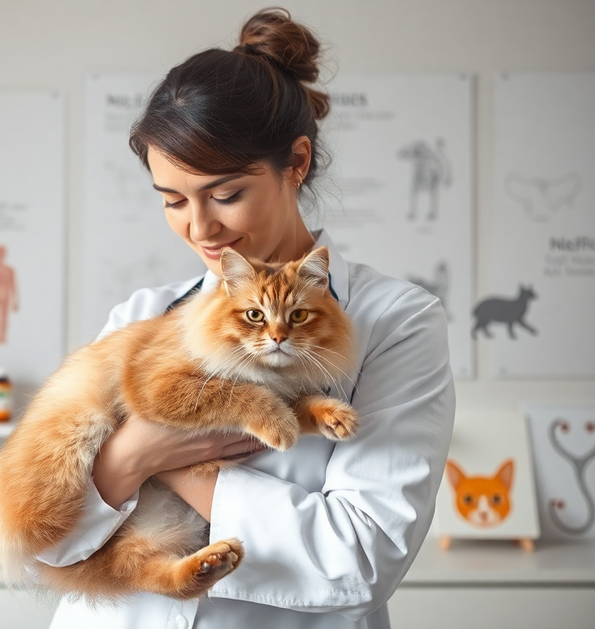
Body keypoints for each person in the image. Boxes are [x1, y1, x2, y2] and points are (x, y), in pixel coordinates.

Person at [40, 8, 455, 629]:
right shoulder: (142, 315)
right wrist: (137, 454)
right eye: (173, 201)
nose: (200, 228)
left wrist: (164, 458)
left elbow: (359, 560)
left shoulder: (395, 322)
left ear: (297, 163)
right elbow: (47, 541)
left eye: (226, 195)